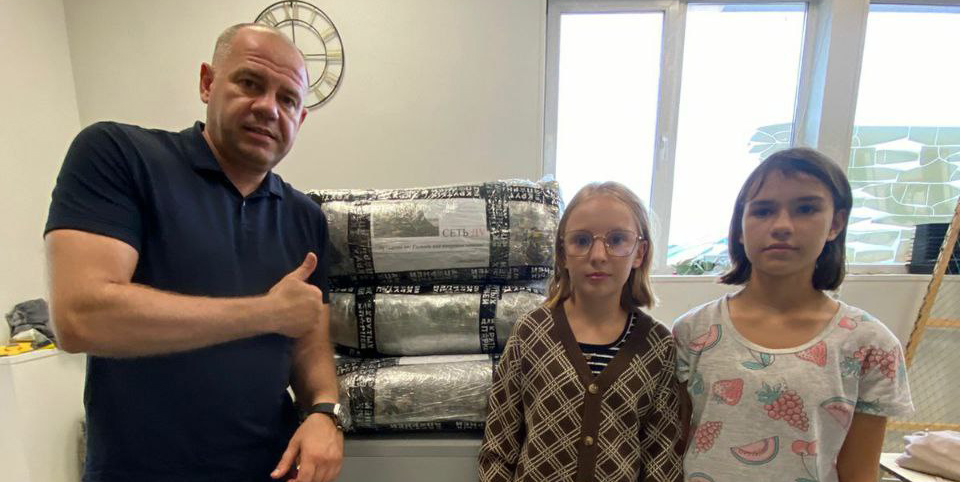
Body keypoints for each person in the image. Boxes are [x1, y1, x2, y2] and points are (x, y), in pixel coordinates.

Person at [44, 24, 343, 482]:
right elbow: (80, 316)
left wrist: (324, 412)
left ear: (299, 120)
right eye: (250, 83)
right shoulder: (120, 156)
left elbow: (309, 342)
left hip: (270, 470)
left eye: (287, 100)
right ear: (207, 83)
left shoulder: (305, 217)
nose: (268, 108)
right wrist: (265, 313)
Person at [673, 148, 914, 482]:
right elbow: (673, 449)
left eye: (806, 209)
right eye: (763, 211)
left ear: (836, 223)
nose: (782, 226)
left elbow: (859, 471)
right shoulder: (692, 331)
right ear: (740, 228)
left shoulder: (871, 345)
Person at [478, 181, 684, 482]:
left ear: (639, 252)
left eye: (617, 239)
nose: (598, 255)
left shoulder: (657, 345)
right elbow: (498, 446)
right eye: (582, 240)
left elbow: (662, 458)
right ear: (562, 253)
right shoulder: (531, 333)